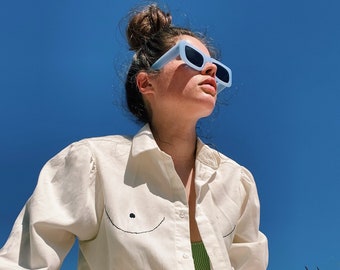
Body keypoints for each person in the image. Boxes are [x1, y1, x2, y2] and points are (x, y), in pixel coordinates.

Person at [0, 4, 268, 270]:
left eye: (217, 69)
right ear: (146, 83)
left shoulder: (237, 182)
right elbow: (22, 263)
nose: (210, 71)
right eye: (193, 59)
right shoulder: (93, 163)